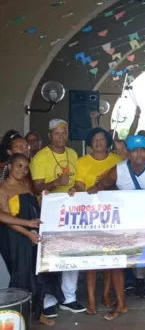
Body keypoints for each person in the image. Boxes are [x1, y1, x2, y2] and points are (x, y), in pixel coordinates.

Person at [87, 134, 145, 319]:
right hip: (127, 225)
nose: (139, 154)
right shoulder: (119, 170)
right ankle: (121, 304)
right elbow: (102, 185)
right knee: (118, 263)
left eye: (142, 150)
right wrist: (93, 189)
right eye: (135, 150)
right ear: (128, 153)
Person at [30, 119, 86, 317]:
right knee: (49, 254)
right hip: (49, 212)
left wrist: (74, 187)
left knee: (72, 251)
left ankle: (69, 297)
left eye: (64, 132)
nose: (61, 136)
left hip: (71, 211)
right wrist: (56, 182)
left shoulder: (73, 154)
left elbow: (78, 180)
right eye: (57, 133)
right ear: (50, 135)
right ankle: (47, 298)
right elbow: (36, 187)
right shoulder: (40, 157)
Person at [0, 154, 61, 326]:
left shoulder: (26, 185)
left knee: (38, 275)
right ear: (10, 166)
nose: (22, 170)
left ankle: (38, 314)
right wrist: (27, 230)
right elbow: (4, 217)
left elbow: (34, 209)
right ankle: (18, 317)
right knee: (21, 276)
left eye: (25, 167)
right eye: (18, 166)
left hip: (33, 235)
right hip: (15, 238)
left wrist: (45, 199)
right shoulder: (3, 189)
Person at [68, 128, 122, 315]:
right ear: (90, 142)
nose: (98, 142)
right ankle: (91, 300)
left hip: (113, 215)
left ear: (107, 141)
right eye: (95, 139)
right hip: (90, 215)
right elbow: (79, 184)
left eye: (102, 139)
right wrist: (79, 189)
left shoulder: (117, 160)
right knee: (91, 260)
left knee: (109, 259)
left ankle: (106, 294)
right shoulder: (82, 162)